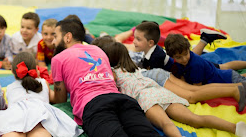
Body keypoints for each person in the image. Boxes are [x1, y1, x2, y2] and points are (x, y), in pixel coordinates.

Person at [50, 19, 223, 137]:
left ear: (67, 36)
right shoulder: (98, 51)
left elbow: (59, 97)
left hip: (94, 105)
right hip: (122, 99)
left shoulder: (59, 59)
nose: (52, 41)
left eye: (55, 36)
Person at [98, 41, 246, 137]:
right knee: (195, 119)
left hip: (145, 98)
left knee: (166, 124)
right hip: (159, 91)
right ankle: (235, 127)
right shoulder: (133, 67)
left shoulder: (113, 73)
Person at [93, 36, 246, 112]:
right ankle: (238, 86)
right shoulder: (123, 57)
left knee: (192, 95)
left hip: (154, 75)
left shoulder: (111, 67)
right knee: (195, 90)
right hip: (155, 74)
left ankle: (235, 89)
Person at [133, 21, 246, 72]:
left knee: (222, 67)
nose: (134, 42)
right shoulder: (150, 52)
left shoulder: (155, 56)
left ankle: (204, 39)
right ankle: (204, 39)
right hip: (183, 64)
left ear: (150, 43)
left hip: (186, 67)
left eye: (138, 39)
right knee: (191, 57)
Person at [164, 34, 246, 85]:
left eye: (186, 54)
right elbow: (182, 77)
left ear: (189, 49)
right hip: (226, 77)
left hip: (230, 79)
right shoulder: (180, 62)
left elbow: (197, 88)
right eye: (179, 57)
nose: (184, 59)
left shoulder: (195, 65)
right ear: (172, 57)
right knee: (226, 70)